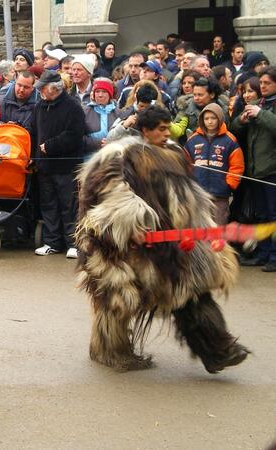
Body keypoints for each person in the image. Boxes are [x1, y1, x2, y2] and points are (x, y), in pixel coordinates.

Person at [75, 105, 249, 374]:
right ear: (145, 130)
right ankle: (109, 350)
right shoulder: (119, 155)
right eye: (162, 128)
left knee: (191, 292)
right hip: (123, 246)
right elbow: (108, 193)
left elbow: (189, 195)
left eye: (169, 127)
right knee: (118, 300)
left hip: (172, 243)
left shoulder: (175, 153)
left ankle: (218, 351)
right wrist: (132, 223)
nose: (168, 132)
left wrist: (205, 227)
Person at [31, 70, 85, 258]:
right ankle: (52, 242)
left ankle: (73, 243)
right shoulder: (39, 106)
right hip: (45, 167)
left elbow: (75, 135)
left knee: (68, 205)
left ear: (54, 88)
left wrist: (50, 146)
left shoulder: (73, 107)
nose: (40, 92)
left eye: (43, 88)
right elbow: (34, 131)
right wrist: (35, 156)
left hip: (66, 166)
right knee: (49, 205)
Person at [230, 66, 276, 272]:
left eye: (267, 83)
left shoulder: (266, 108)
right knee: (260, 215)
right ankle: (263, 253)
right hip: (255, 170)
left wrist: (262, 114)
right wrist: (241, 120)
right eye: (262, 83)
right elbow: (234, 128)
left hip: (272, 170)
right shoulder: (258, 103)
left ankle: (274, 257)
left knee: (273, 216)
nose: (263, 86)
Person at [185, 103, 244, 224]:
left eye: (213, 118)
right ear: (202, 120)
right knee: (199, 226)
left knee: (219, 225)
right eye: (206, 119)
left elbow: (237, 166)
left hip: (220, 194)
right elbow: (185, 163)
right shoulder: (193, 139)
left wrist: (229, 184)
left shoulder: (230, 140)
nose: (210, 122)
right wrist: (190, 183)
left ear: (220, 119)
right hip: (199, 194)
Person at [82, 77, 120, 156]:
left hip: (113, 158)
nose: (100, 95)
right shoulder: (84, 112)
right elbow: (78, 137)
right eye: (97, 91)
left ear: (110, 95)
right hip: (90, 159)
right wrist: (99, 143)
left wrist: (112, 144)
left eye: (104, 92)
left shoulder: (118, 113)